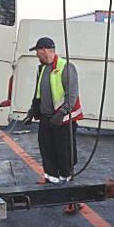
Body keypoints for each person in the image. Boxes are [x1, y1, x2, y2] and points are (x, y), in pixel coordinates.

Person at [23, 37, 83, 208]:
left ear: (45, 50)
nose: (36, 55)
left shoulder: (65, 67)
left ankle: (67, 187)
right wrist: (32, 111)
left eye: (37, 51)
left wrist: (63, 112)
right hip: (47, 118)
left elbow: (72, 95)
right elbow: (38, 93)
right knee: (46, 150)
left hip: (63, 120)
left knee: (64, 154)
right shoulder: (43, 69)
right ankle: (51, 181)